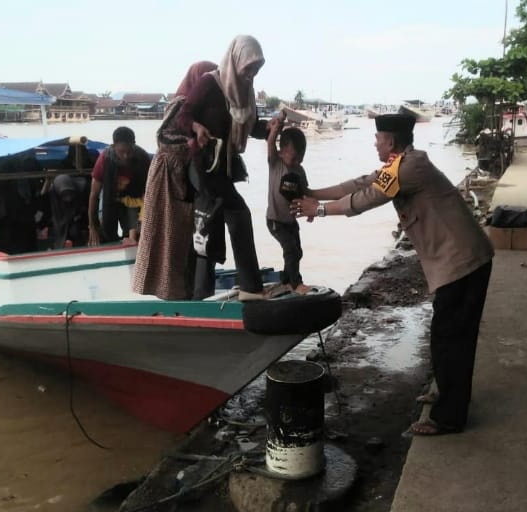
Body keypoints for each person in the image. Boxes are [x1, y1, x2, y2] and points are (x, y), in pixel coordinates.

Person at [292, 114, 494, 436]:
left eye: (378, 138)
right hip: (456, 262)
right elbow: (359, 184)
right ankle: (446, 391)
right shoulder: (399, 165)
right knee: (445, 334)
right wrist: (314, 192)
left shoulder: (409, 168)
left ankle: (449, 417)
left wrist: (316, 209)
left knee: (452, 337)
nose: (374, 143)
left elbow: (366, 198)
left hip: (463, 261)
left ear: (390, 141)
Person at [175, 35, 270, 301]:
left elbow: (251, 127)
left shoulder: (245, 92)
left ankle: (200, 295)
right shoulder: (210, 83)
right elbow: (183, 115)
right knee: (236, 216)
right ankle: (249, 288)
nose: (252, 74)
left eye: (256, 69)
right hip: (203, 166)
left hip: (223, 168)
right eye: (248, 67)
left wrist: (270, 128)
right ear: (235, 60)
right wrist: (197, 127)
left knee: (209, 228)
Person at [132, 60, 217, 300]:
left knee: (182, 237)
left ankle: (183, 290)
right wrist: (190, 144)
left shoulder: (200, 106)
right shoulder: (181, 104)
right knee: (167, 235)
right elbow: (163, 138)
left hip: (182, 176)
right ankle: (169, 292)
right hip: (167, 178)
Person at [266, 113, 312, 294]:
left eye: (300, 158)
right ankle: (295, 283)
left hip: (291, 221)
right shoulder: (276, 164)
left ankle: (285, 280)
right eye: (293, 158)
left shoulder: (299, 171)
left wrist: (310, 210)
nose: (297, 162)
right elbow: (270, 143)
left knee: (297, 252)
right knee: (290, 250)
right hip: (275, 220)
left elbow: (305, 193)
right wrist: (275, 129)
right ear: (281, 152)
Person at [88, 126, 150, 245]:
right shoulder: (104, 159)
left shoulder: (143, 158)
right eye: (121, 152)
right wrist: (92, 226)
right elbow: (94, 194)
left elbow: (148, 191)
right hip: (109, 195)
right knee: (105, 228)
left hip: (133, 196)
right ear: (113, 146)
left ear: (134, 145)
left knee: (134, 231)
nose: (125, 156)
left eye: (129, 151)